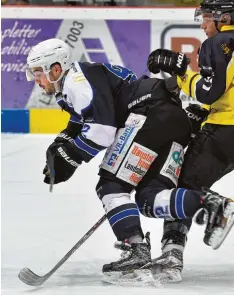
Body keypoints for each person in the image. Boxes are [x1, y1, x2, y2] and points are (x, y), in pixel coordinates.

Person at [26, 38, 233, 283]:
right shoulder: (81, 79)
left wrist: (70, 157)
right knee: (149, 197)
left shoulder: (76, 81)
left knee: (111, 185)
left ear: (56, 69)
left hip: (147, 116)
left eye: (38, 73)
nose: (35, 80)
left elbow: (101, 130)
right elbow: (81, 119)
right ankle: (209, 204)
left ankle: (135, 249)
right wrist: (61, 144)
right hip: (170, 119)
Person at [147, 0, 234, 283]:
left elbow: (208, 91)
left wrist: (182, 73)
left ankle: (172, 255)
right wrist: (207, 112)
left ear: (225, 17)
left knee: (182, 186)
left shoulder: (218, 42)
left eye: (208, 17)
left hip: (226, 132)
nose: (203, 24)